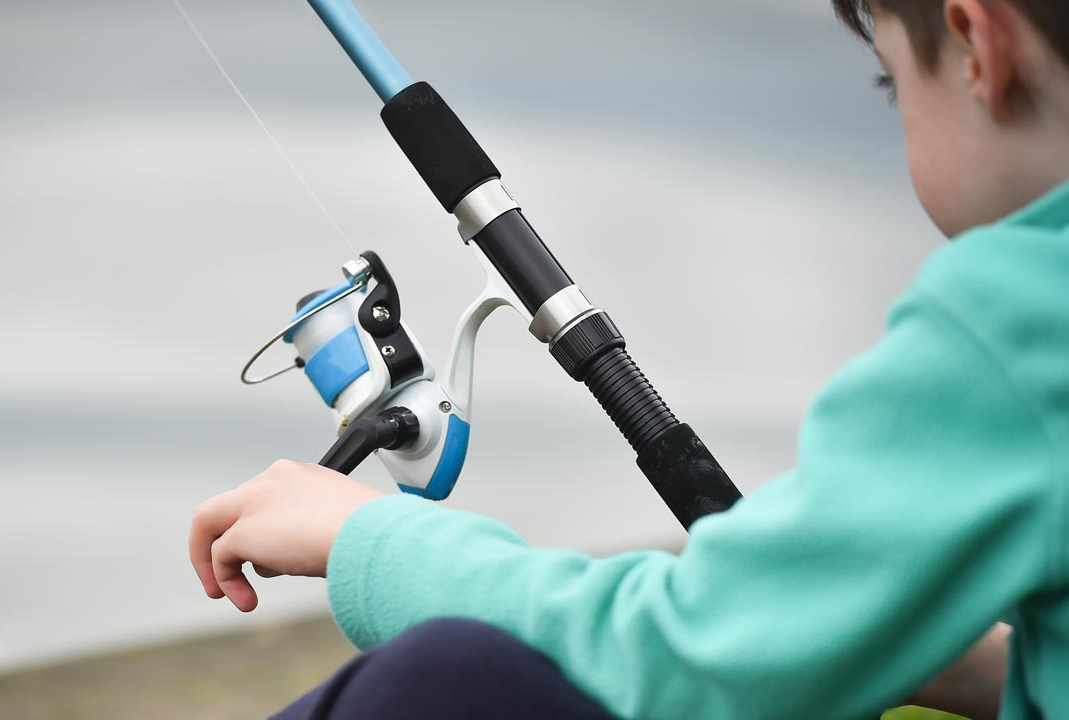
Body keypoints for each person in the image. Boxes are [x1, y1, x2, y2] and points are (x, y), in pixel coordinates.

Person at [189, 0, 1069, 717]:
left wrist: (362, 538)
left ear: (976, 46)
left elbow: (682, 658)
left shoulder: (1016, 319)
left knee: (443, 678)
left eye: (892, 83)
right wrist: (940, 654)